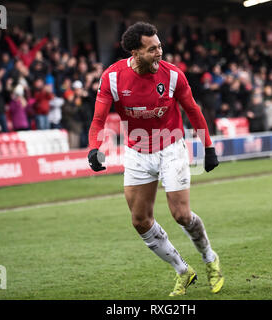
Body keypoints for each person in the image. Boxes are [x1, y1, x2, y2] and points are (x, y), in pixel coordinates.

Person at [87, 22, 224, 296]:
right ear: (135, 52)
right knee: (139, 220)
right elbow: (98, 119)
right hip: (137, 153)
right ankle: (183, 271)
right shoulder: (112, 78)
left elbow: (194, 111)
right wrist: (94, 148)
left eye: (160, 46)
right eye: (152, 49)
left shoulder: (173, 76)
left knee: (181, 215)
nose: (159, 53)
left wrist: (208, 147)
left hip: (171, 148)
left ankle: (210, 259)